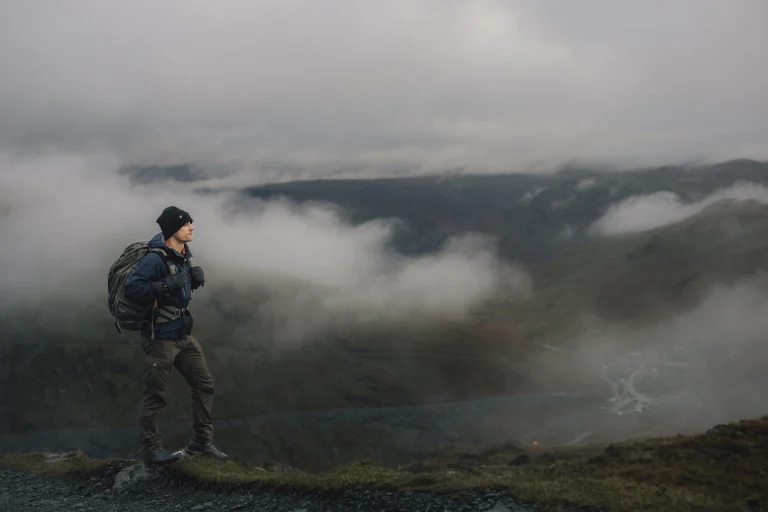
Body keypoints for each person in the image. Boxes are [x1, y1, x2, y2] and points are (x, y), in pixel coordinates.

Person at [124, 206, 228, 464]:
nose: (191, 227)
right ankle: (151, 449)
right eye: (186, 224)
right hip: (160, 337)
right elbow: (133, 288)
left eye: (191, 223)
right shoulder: (155, 258)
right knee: (156, 395)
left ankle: (201, 442)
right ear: (173, 230)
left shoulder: (182, 255)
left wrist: (192, 281)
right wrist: (170, 283)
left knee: (204, 385)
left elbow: (176, 294)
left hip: (183, 334)